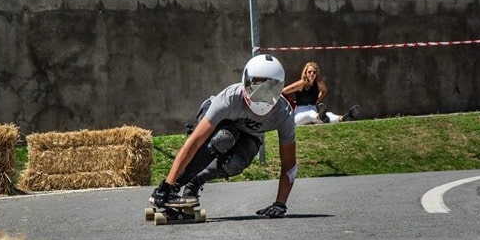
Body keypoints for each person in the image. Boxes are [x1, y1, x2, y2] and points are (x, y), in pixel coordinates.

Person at [150, 54, 297, 218]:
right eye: (257, 87)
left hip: (250, 134)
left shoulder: (283, 114)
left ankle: (194, 182)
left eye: (270, 89)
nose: (261, 95)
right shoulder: (229, 99)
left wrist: (280, 203)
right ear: (246, 81)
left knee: (235, 163)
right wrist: (168, 185)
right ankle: (175, 187)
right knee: (223, 138)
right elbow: (195, 142)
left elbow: (289, 163)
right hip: (219, 121)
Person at [281, 61, 360, 125]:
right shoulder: (301, 83)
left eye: (314, 72)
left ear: (316, 74)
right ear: (305, 73)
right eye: (309, 72)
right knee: (311, 115)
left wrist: (318, 100)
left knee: (328, 114)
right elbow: (284, 91)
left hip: (313, 108)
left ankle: (343, 118)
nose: (312, 74)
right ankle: (321, 117)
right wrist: (290, 103)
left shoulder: (319, 84)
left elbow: (324, 90)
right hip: (300, 113)